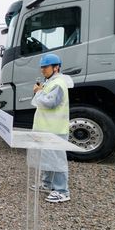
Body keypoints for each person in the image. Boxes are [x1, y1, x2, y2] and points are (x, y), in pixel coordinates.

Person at [31, 53, 74, 203]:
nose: (43, 69)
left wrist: (38, 92)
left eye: (46, 67)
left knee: (56, 159)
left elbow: (50, 103)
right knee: (48, 158)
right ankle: (47, 184)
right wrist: (41, 91)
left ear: (56, 68)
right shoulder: (51, 82)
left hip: (55, 129)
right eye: (42, 67)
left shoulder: (58, 83)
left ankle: (62, 191)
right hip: (48, 128)